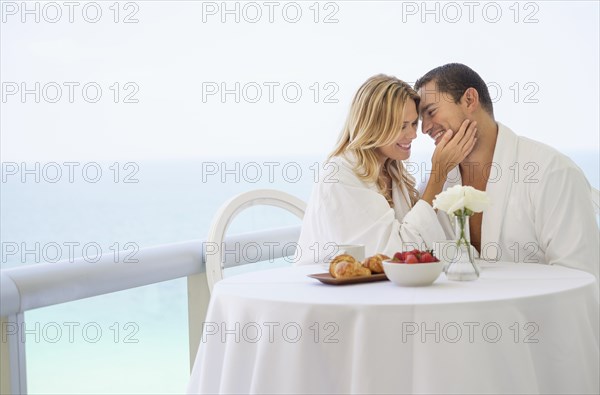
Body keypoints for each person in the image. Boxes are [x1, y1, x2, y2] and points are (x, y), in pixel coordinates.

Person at [414, 63, 599, 279]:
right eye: (420, 120)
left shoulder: (551, 171)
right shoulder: (434, 182)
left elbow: (582, 278)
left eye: (431, 112)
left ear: (469, 100)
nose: (424, 128)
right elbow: (412, 255)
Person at [296, 74, 476, 264]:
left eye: (414, 123)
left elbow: (417, 243)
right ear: (373, 125)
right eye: (401, 126)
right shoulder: (339, 176)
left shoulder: (392, 172)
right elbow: (394, 257)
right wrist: (438, 173)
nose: (413, 134)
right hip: (332, 292)